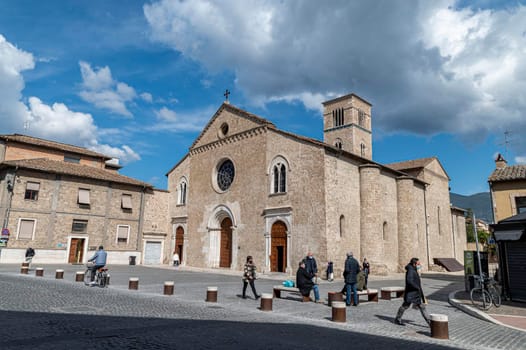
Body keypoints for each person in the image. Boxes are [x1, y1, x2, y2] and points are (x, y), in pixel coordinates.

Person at [394, 257, 431, 326]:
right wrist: (416, 287)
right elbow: (409, 281)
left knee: (422, 307)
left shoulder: (413, 269)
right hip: (411, 293)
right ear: (414, 264)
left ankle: (430, 322)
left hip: (416, 293)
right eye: (418, 264)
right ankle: (397, 319)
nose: (419, 265)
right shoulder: (410, 271)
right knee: (405, 306)